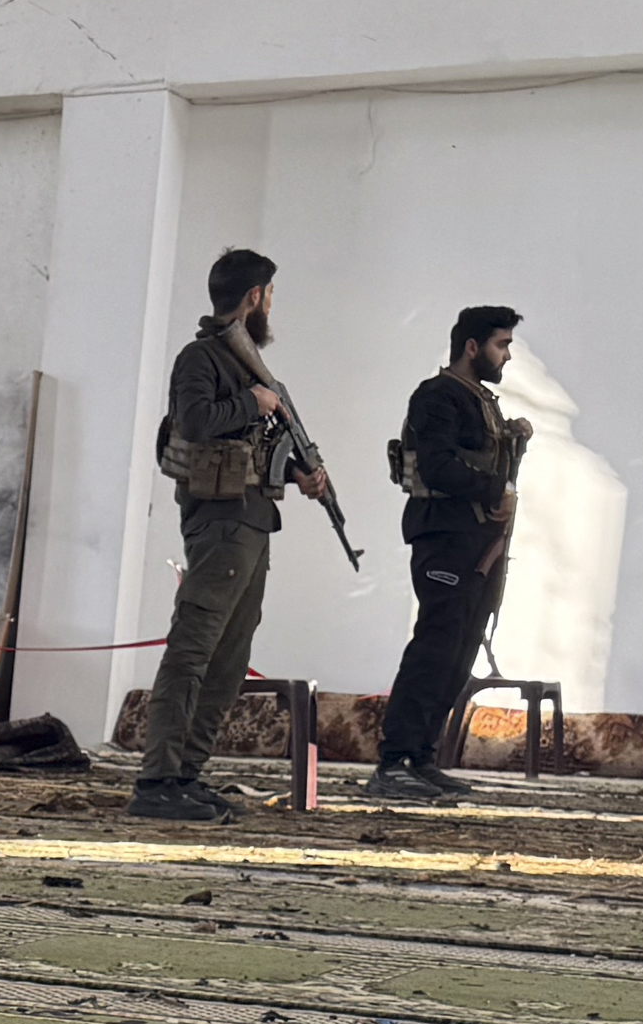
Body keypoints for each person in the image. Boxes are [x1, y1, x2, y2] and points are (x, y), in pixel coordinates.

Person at [131, 248, 337, 823]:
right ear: (255, 297)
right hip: (220, 523)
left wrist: (300, 474)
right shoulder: (201, 359)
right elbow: (196, 422)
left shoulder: (247, 365)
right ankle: (156, 783)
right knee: (192, 651)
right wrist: (253, 400)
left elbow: (255, 444)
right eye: (270, 295)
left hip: (250, 520)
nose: (272, 305)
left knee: (228, 659)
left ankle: (184, 776)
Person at [370, 305, 530, 802]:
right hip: (445, 540)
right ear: (471, 347)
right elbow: (437, 467)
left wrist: (514, 443)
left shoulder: (480, 401)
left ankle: (421, 758)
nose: (506, 355)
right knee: (435, 647)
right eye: (501, 345)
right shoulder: (437, 397)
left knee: (459, 653)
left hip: (479, 545)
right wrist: (493, 488)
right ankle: (394, 761)